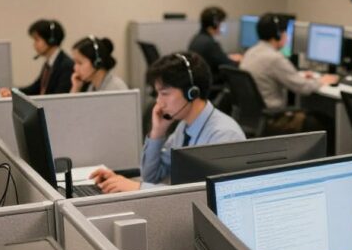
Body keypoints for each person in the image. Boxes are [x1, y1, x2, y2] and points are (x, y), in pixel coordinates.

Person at [89, 51, 244, 192]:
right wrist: (157, 133)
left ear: (192, 93)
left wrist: (137, 187)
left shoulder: (224, 136)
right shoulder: (184, 126)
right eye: (158, 94)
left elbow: (202, 196)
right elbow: (152, 176)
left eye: (165, 94)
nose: (159, 102)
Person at [241, 13, 338, 133]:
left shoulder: (251, 52)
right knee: (326, 121)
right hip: (274, 118)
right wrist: (321, 81)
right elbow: (303, 88)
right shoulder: (275, 58)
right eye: (286, 32)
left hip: (253, 117)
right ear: (278, 34)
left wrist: (298, 75)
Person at [0, 19, 74, 97]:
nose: (34, 45)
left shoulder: (66, 66)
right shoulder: (50, 63)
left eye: (37, 40)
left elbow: (58, 98)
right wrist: (12, 92)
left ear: (51, 40)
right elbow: (35, 88)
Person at [188, 6, 242, 83]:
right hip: (212, 82)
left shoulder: (198, 38)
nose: (223, 25)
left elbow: (217, 58)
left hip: (201, 81)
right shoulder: (210, 43)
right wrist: (241, 61)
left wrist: (227, 57)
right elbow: (229, 66)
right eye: (222, 22)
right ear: (215, 23)